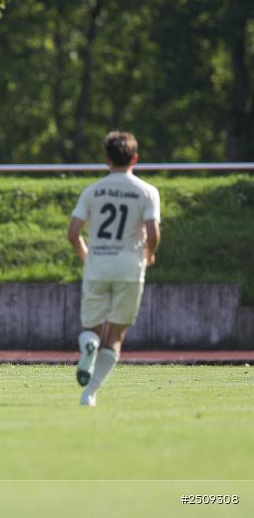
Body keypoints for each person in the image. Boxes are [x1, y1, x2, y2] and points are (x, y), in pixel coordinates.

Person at [68, 131, 161, 407]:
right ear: (135, 158)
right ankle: (90, 393)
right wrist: (148, 255)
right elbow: (153, 234)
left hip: (98, 266)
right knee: (116, 335)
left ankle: (89, 346)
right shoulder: (147, 191)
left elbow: (73, 233)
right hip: (129, 269)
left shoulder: (92, 190)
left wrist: (87, 256)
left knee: (91, 328)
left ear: (106, 159)